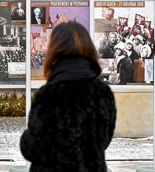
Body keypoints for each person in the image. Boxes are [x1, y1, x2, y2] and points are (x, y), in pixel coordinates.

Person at [20, 21, 116, 172]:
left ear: (54, 50)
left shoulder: (47, 94)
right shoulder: (103, 92)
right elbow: (103, 141)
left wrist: (26, 138)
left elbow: (33, 149)